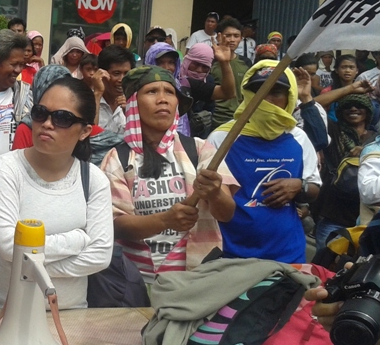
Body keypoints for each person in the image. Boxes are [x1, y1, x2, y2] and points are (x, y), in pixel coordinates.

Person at [0, 75, 113, 309]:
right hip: (6, 315)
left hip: (70, 314)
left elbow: (100, 256)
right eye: (40, 113)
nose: (47, 123)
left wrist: (29, 268)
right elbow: (8, 247)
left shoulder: (93, 180)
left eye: (62, 118)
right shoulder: (6, 169)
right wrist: (78, 240)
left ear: (85, 131)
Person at [101, 66, 237, 284]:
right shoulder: (118, 158)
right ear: (134, 103)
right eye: (152, 91)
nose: (162, 99)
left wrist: (214, 194)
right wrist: (165, 220)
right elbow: (116, 224)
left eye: (170, 92)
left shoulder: (201, 150)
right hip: (137, 283)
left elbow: (226, 213)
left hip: (197, 281)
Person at [208, 62, 321, 263]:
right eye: (259, 92)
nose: (266, 101)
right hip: (231, 256)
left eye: (276, 92)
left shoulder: (299, 138)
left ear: (289, 97)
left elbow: (315, 188)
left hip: (288, 255)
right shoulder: (221, 138)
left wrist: (299, 186)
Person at [313, 94, 377, 247]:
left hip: (365, 218)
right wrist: (351, 88)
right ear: (341, 112)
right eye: (348, 106)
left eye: (358, 106)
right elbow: (312, 106)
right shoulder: (333, 132)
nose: (353, 109)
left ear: (367, 112)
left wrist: (367, 151)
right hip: (334, 215)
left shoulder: (377, 140)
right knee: (324, 264)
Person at [0, 29, 33, 164]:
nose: (18, 70)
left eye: (21, 64)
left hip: (13, 180)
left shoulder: (26, 95)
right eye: (14, 64)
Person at [209, 17, 251, 129]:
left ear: (241, 38)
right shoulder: (209, 61)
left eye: (236, 36)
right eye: (228, 35)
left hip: (239, 120)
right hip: (214, 120)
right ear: (219, 36)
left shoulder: (246, 63)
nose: (232, 39)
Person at [93, 45, 135, 135]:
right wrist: (97, 94)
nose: (122, 79)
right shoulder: (86, 100)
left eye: (127, 74)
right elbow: (88, 135)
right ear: (101, 73)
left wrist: (129, 113)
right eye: (116, 73)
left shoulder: (134, 102)